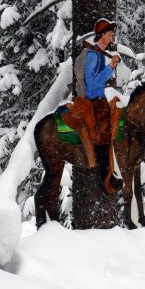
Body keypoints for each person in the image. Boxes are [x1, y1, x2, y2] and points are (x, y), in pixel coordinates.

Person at [62, 18, 123, 193]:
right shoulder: (92, 55)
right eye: (110, 34)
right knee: (103, 137)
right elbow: (92, 82)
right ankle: (106, 180)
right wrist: (110, 67)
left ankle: (112, 171)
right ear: (102, 35)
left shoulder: (97, 54)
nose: (112, 37)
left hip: (99, 101)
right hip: (92, 102)